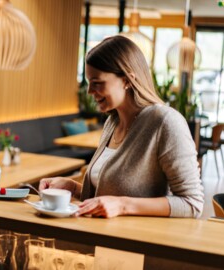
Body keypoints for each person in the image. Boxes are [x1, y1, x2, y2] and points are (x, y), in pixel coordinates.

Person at [39, 35, 204, 218]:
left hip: (138, 243)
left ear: (127, 80)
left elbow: (192, 204)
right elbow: (108, 197)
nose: (89, 92)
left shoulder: (165, 122)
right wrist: (73, 187)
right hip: (103, 238)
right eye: (88, 83)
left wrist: (123, 205)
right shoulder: (113, 122)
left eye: (97, 83)